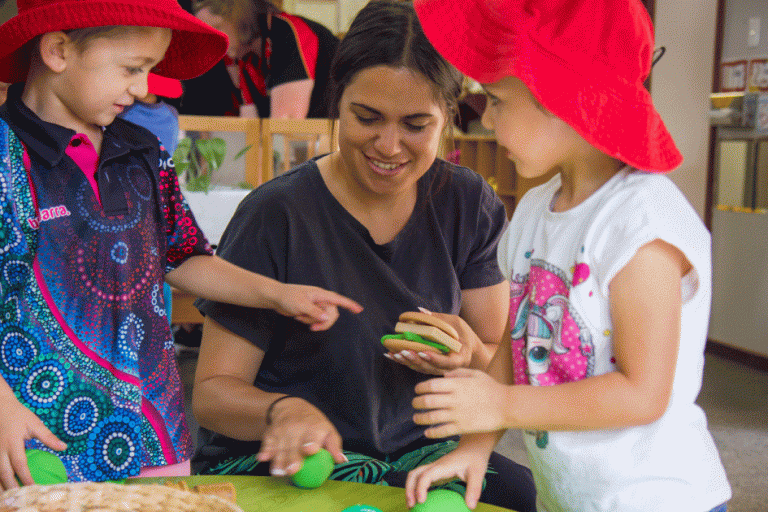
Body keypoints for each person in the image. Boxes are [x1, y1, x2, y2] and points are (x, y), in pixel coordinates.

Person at [0, 0, 362, 489]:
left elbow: (182, 255)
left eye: (150, 70)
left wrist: (278, 294)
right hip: (35, 438)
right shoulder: (5, 158)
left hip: (153, 432)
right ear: (58, 51)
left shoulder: (143, 153)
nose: (143, 87)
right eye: (133, 68)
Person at [191, 2, 536, 510]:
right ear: (336, 102)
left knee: (520, 492)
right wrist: (282, 411)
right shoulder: (276, 213)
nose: (389, 146)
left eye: (416, 124)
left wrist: (469, 358)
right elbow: (214, 393)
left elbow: (494, 363)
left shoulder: (468, 203)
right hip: (293, 459)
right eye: (366, 118)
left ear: (448, 115)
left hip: (418, 456)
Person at [404, 1, 733, 511]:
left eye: (496, 101)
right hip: (571, 498)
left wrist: (502, 405)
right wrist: (475, 445)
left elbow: (642, 394)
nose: (486, 119)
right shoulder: (536, 210)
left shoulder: (641, 222)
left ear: (563, 99)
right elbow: (515, 346)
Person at [180, 0, 338, 119]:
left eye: (218, 28)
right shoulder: (241, 55)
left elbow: (287, 122)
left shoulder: (286, 31)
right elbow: (248, 124)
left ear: (237, 17)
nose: (213, 42)